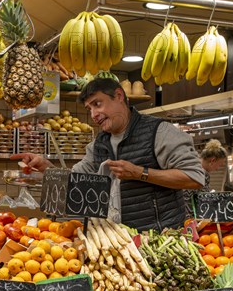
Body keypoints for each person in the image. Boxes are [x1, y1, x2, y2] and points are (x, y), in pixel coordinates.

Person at [11, 78, 204, 232]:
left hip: (160, 240)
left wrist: (140, 172)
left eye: (98, 104)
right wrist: (46, 168)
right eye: (90, 108)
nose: (94, 114)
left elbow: (194, 178)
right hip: (118, 241)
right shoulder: (98, 145)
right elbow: (75, 181)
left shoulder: (160, 132)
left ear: (119, 96)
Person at [183, 139, 227, 217]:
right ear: (212, 161)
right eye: (219, 165)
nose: (217, 169)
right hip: (190, 218)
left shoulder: (192, 166)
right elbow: (203, 202)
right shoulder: (202, 174)